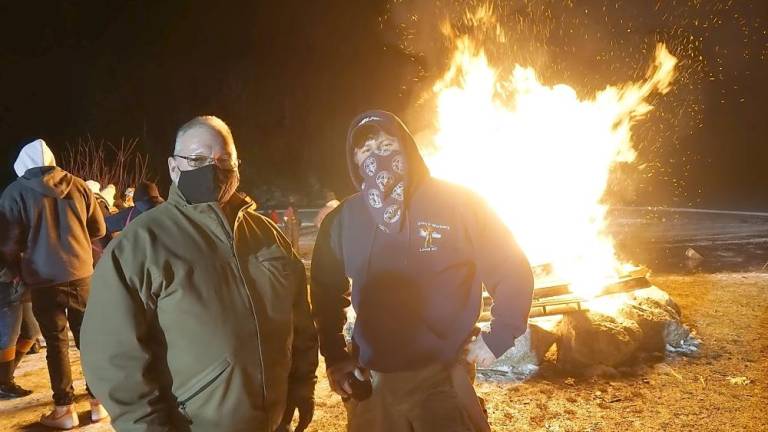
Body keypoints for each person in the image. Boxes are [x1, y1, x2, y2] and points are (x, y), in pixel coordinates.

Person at [81, 116, 318, 432]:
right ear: (173, 168)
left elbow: (299, 318)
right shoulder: (141, 245)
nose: (212, 169)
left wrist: (302, 384)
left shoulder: (266, 234)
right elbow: (114, 356)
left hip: (275, 422)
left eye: (223, 161)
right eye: (198, 160)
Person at [311, 111, 534, 432]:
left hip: (441, 376)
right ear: (354, 159)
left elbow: (509, 265)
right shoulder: (345, 218)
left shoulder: (458, 203)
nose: (377, 157)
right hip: (373, 381)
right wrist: (334, 354)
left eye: (387, 145)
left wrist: (501, 334)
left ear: (406, 147)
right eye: (366, 150)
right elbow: (324, 290)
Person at [0, 139, 108, 428]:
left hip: (44, 279)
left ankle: (64, 410)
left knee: (57, 343)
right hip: (82, 275)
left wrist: (16, 268)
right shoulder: (80, 186)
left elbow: (8, 244)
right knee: (89, 340)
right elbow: (99, 228)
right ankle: (99, 404)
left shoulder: (15, 193)